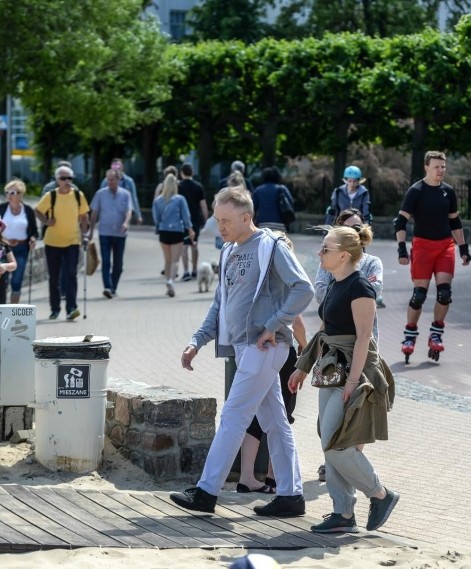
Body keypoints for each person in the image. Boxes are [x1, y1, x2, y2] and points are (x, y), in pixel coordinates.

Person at [170, 187, 314, 519]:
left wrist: (273, 324)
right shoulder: (228, 251)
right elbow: (221, 304)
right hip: (246, 349)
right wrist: (197, 340)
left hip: (264, 347)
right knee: (276, 423)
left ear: (246, 217)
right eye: (217, 220)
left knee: (233, 417)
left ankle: (206, 492)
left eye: (226, 220)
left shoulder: (271, 246)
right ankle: (291, 496)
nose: (219, 227)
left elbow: (303, 288)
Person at [288, 224, 398, 534]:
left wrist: (352, 382)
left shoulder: (359, 286)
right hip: (331, 369)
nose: (319, 253)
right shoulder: (337, 283)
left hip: (352, 371)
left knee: (338, 444)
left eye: (325, 249)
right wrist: (303, 365)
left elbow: (364, 337)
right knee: (328, 440)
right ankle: (343, 513)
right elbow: (326, 332)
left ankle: (380, 494)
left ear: (344, 255)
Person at [237, 232, 308, 495]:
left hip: (254, 349)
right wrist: (306, 346)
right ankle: (273, 478)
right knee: (281, 416)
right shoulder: (284, 282)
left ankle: (246, 477)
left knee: (255, 413)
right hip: (281, 351)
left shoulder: (256, 282)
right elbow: (297, 321)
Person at [393, 151, 471, 362]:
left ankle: (436, 333)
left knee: (444, 293)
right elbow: (400, 222)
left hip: (445, 246)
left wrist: (463, 248)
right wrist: (402, 249)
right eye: (436, 167)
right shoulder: (416, 191)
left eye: (443, 167)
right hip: (422, 247)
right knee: (419, 295)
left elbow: (455, 222)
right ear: (426, 167)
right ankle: (409, 335)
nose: (441, 171)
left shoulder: (449, 192)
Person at [315, 208, 383, 342]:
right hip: (333, 340)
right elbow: (319, 293)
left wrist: (338, 295)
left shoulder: (372, 262)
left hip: (364, 339)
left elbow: (373, 291)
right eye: (346, 227)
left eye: (356, 227)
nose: (351, 232)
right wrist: (353, 296)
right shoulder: (328, 258)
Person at [34, 165, 90, 320]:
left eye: (69, 178)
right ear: (57, 180)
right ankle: (55, 309)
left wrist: (85, 234)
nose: (67, 181)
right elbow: (37, 210)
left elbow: (85, 216)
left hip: (73, 240)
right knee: (54, 276)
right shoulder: (50, 196)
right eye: (63, 178)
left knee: (71, 274)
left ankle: (71, 307)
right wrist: (46, 221)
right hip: (52, 241)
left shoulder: (78, 195)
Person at [89, 169, 133, 299]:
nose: (110, 182)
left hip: (120, 234)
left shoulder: (125, 194)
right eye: (108, 179)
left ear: (118, 180)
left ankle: (113, 287)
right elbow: (94, 213)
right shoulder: (100, 194)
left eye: (112, 179)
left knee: (118, 264)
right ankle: (107, 287)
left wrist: (126, 223)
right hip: (105, 232)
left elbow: (129, 211)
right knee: (106, 261)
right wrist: (91, 230)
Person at [0, 180, 39, 304]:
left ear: (20, 194)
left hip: (21, 248)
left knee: (17, 280)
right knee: (1, 279)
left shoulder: (28, 210)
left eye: (13, 192)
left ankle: (13, 310)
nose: (9, 195)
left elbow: (34, 231)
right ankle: (1, 308)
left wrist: (33, 239)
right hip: (3, 248)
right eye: (7, 192)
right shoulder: (1, 208)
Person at [153, 173, 193, 298]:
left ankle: (167, 280)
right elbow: (185, 216)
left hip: (163, 231)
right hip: (176, 230)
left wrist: (160, 224)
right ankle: (171, 281)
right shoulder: (180, 199)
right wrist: (190, 228)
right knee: (175, 260)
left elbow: (156, 218)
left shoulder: (158, 200)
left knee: (167, 259)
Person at [177, 163, 208, 282]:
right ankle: (195, 270)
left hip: (182, 220)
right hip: (195, 219)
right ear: (192, 173)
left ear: (181, 173)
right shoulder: (198, 186)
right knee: (194, 244)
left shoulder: (178, 186)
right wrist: (205, 219)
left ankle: (185, 271)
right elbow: (203, 205)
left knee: (184, 246)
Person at [252, 167, 293, 231]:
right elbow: (290, 202)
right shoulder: (282, 189)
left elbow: (253, 207)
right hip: (280, 223)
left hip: (262, 223)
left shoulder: (258, 190)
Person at [107, 158, 142, 225]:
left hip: (124, 213)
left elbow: (134, 198)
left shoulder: (129, 181)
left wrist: (138, 215)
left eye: (118, 166)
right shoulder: (106, 181)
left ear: (122, 167)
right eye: (114, 166)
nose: (116, 168)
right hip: (109, 212)